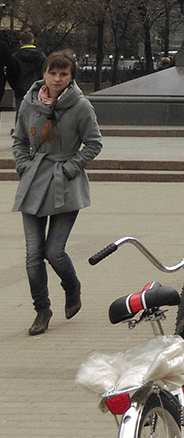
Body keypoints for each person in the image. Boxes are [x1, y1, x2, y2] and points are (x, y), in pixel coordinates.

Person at [12, 49, 101, 336]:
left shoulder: (81, 107)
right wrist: (24, 166)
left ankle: (72, 286)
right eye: (53, 73)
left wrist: (69, 168)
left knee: (54, 252)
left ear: (71, 76)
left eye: (64, 74)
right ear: (44, 74)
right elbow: (19, 139)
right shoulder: (29, 102)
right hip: (34, 183)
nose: (58, 78)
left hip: (65, 185)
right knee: (33, 254)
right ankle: (42, 310)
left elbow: (93, 143)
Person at [10, 31, 45, 104]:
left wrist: (16, 87)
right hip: (37, 88)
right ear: (33, 41)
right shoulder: (41, 56)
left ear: (20, 42)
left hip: (20, 89)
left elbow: (11, 75)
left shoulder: (15, 57)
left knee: (21, 112)